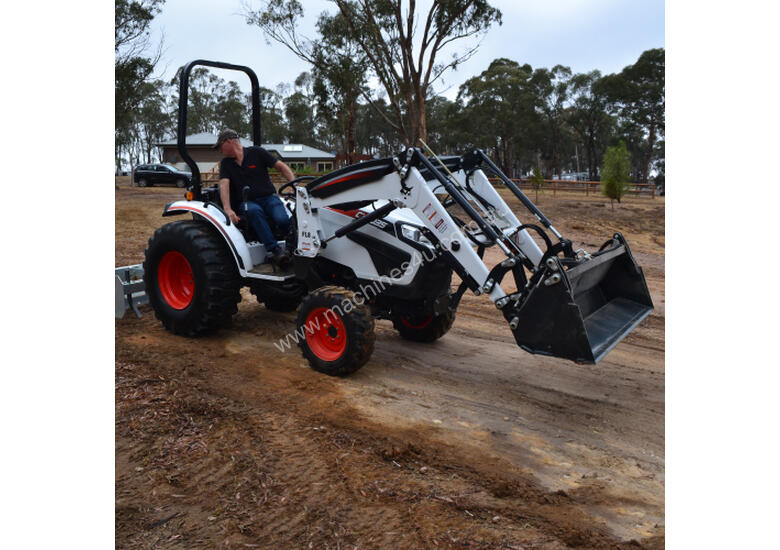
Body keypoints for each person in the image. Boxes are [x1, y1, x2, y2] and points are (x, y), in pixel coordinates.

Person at [215, 129, 296, 266]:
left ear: (228, 141)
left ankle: (292, 247)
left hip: (269, 198)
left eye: (220, 147)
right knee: (254, 212)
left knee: (282, 219)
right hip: (247, 202)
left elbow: (281, 167)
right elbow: (224, 185)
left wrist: (294, 186)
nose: (220, 151)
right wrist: (227, 209)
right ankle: (275, 251)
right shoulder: (226, 164)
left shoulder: (257, 152)